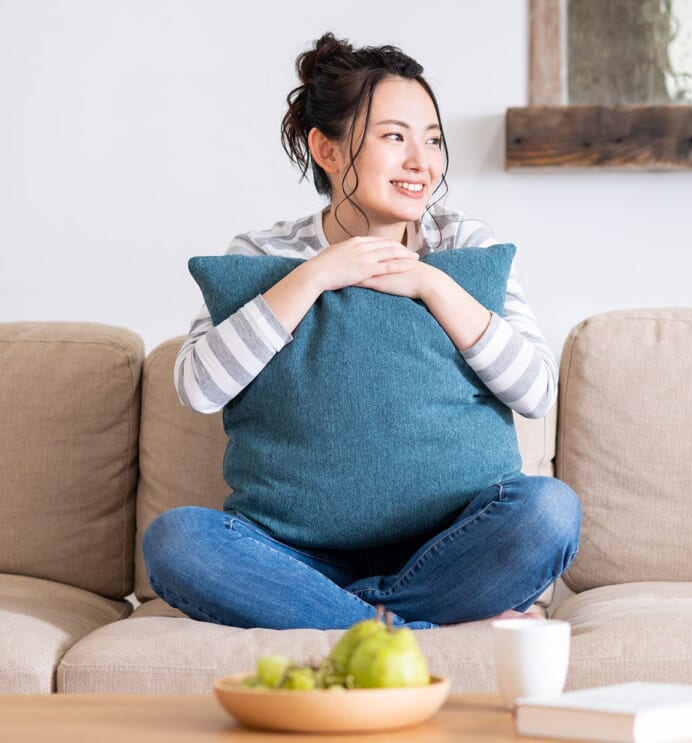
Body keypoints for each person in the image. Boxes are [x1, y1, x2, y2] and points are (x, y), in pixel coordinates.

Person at [142, 33, 580, 631]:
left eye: (432, 140)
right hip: (296, 560)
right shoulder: (262, 253)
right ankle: (395, 625)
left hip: (449, 547)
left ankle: (351, 624)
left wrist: (430, 284)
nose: (422, 163)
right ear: (326, 147)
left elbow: (536, 391)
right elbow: (198, 387)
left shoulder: (463, 246)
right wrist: (318, 274)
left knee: (549, 512)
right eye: (394, 137)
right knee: (176, 541)